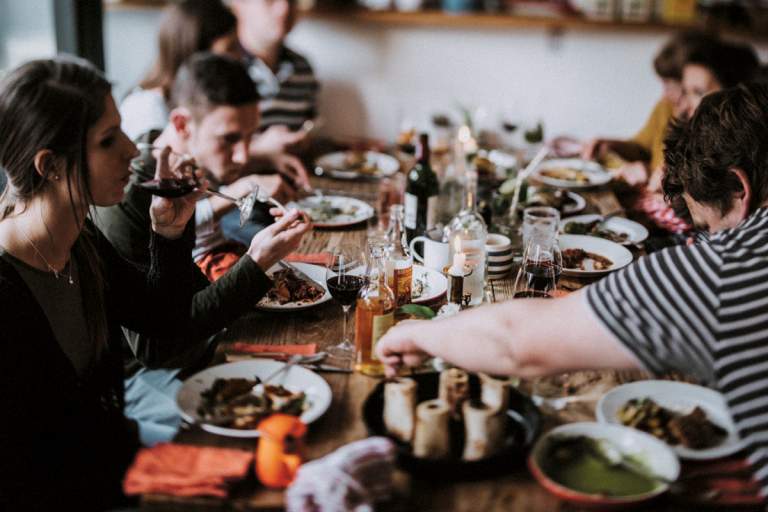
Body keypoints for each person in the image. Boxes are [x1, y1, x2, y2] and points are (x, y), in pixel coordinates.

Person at [377, 82, 768, 500]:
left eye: (708, 231)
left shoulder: (730, 268)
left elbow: (516, 343)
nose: (704, 245)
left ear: (738, 189)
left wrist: (414, 334)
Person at [0, 56, 234, 509]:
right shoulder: (8, 294)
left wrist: (168, 233)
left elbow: (162, 319)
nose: (131, 150)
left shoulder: (79, 239)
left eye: (122, 129)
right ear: (49, 165)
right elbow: (23, 474)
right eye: (108, 140)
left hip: (109, 459)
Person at [96, 52, 312, 444]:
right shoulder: (131, 197)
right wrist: (256, 263)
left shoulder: (177, 173)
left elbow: (182, 298)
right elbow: (157, 346)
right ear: (180, 123)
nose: (244, 156)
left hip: (193, 351)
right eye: (229, 138)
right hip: (143, 379)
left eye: (249, 138)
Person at [120, 0, 240, 141]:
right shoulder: (145, 107)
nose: (239, 57)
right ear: (197, 51)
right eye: (230, 48)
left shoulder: (202, 100)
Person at [227, 0, 319, 154]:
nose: (284, 9)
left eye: (292, 1)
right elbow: (202, 157)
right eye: (270, 1)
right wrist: (259, 150)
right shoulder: (220, 69)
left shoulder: (303, 69)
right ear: (238, 5)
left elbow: (310, 125)